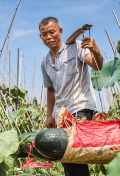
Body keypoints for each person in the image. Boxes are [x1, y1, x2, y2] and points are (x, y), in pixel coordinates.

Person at [39, 17, 103, 176]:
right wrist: (49, 115)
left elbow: (97, 65)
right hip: (61, 114)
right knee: (67, 159)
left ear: (60, 32)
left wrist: (95, 50)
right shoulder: (45, 62)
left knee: (77, 156)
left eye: (52, 32)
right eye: (44, 34)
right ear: (40, 37)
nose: (49, 37)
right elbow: (51, 90)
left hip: (80, 108)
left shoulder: (76, 47)